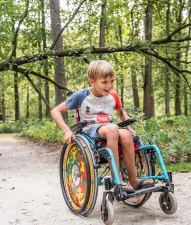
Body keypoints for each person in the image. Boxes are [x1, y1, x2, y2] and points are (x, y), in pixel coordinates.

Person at [51, 60, 153, 190]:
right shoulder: (82, 96)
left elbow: (121, 112)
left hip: (110, 128)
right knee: (113, 128)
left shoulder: (113, 96)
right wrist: (66, 130)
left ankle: (133, 180)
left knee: (126, 135)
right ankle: (117, 179)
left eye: (112, 81)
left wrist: (130, 128)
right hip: (89, 130)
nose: (109, 86)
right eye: (104, 82)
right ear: (92, 81)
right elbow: (55, 111)